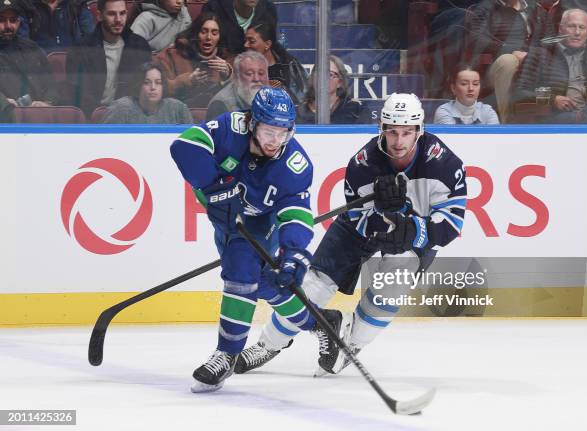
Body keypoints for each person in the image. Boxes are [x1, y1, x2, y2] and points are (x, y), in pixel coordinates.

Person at [234, 93, 467, 376]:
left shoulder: (444, 164)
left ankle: (348, 346)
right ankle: (268, 344)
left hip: (416, 233)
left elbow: (452, 223)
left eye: (407, 132)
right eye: (392, 131)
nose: (398, 141)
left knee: (392, 285)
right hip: (361, 227)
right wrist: (385, 217)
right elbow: (358, 219)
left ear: (420, 130)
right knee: (313, 286)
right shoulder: (363, 163)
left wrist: (413, 228)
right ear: (381, 127)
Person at [170, 86, 352, 392]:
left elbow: (295, 211)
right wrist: (213, 187)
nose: (275, 140)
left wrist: (294, 251)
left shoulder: (295, 163)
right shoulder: (231, 127)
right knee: (267, 282)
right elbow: (185, 145)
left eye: (283, 132)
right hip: (226, 220)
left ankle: (226, 354)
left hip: (258, 222)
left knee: (241, 272)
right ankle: (320, 321)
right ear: (252, 122)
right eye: (269, 130)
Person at [513, 8, 587, 123]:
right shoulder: (540, 54)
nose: (577, 32)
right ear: (560, 29)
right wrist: (552, 100)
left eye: (582, 27)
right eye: (572, 26)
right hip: (558, 116)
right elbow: (519, 93)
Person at [65, 0, 152, 116]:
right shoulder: (80, 50)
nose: (118, 20)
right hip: (91, 119)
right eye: (112, 14)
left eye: (122, 13)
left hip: (130, 118)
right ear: (99, 16)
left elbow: (143, 91)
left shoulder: (140, 46)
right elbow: (78, 95)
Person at [155, 12, 233, 108]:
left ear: (220, 37)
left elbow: (240, 92)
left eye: (214, 33)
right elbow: (156, 87)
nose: (208, 37)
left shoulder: (225, 59)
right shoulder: (173, 54)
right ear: (195, 33)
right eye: (203, 32)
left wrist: (228, 76)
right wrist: (185, 81)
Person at [0, 0, 58, 107]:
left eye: (12, 20)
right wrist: (3, 102)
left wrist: (47, 102)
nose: (8, 26)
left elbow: (51, 83)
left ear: (18, 22)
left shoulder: (31, 47)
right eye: (2, 20)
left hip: (38, 114)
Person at [102, 62, 192, 123]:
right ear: (138, 85)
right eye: (147, 82)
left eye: (158, 83)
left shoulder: (178, 109)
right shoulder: (120, 108)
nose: (153, 87)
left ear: (163, 86)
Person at [243, 21, 307, 103]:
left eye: (251, 41)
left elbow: (303, 98)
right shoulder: (241, 66)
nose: (245, 45)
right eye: (245, 40)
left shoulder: (290, 65)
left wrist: (280, 91)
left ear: (267, 44)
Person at [296, 55, 366, 124]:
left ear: (340, 82)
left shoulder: (355, 111)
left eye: (330, 74)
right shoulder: (298, 113)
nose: (323, 78)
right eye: (319, 73)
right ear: (312, 78)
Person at [205, 49, 268, 120]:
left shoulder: (273, 98)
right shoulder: (220, 104)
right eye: (249, 74)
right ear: (236, 77)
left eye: (261, 73)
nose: (256, 79)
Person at [201, 0, 277, 55]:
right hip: (222, 65)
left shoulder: (268, 9)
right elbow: (203, 43)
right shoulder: (213, 7)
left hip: (258, 65)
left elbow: (272, 43)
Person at [434, 64, 500, 124]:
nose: (471, 88)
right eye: (464, 84)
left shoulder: (488, 112)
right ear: (453, 88)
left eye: (475, 84)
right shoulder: (444, 111)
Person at [27, 0, 95, 53]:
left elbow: (91, 39)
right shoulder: (26, 6)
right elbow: (23, 47)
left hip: (73, 63)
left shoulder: (76, 4)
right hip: (39, 64)